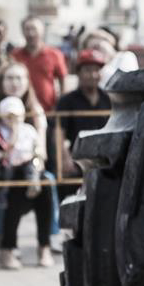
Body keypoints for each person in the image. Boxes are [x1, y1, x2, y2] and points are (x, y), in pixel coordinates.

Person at [0, 96, 53, 269]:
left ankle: (44, 246)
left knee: (46, 185)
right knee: (14, 194)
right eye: (9, 116)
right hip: (8, 175)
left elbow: (39, 152)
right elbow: (7, 153)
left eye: (17, 116)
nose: (13, 119)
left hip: (30, 170)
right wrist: (14, 130)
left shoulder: (29, 129)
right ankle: (7, 248)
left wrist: (35, 162)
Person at [54, 49, 112, 197]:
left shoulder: (109, 99)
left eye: (96, 70)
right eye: (87, 70)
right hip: (76, 163)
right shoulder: (66, 101)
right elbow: (58, 132)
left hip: (105, 162)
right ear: (78, 72)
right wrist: (65, 159)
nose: (92, 75)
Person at [12, 16, 67, 112]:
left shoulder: (54, 54)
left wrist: (60, 105)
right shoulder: (15, 55)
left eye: (34, 29)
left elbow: (63, 81)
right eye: (27, 29)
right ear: (22, 32)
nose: (31, 33)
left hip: (48, 109)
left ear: (42, 31)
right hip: (20, 110)